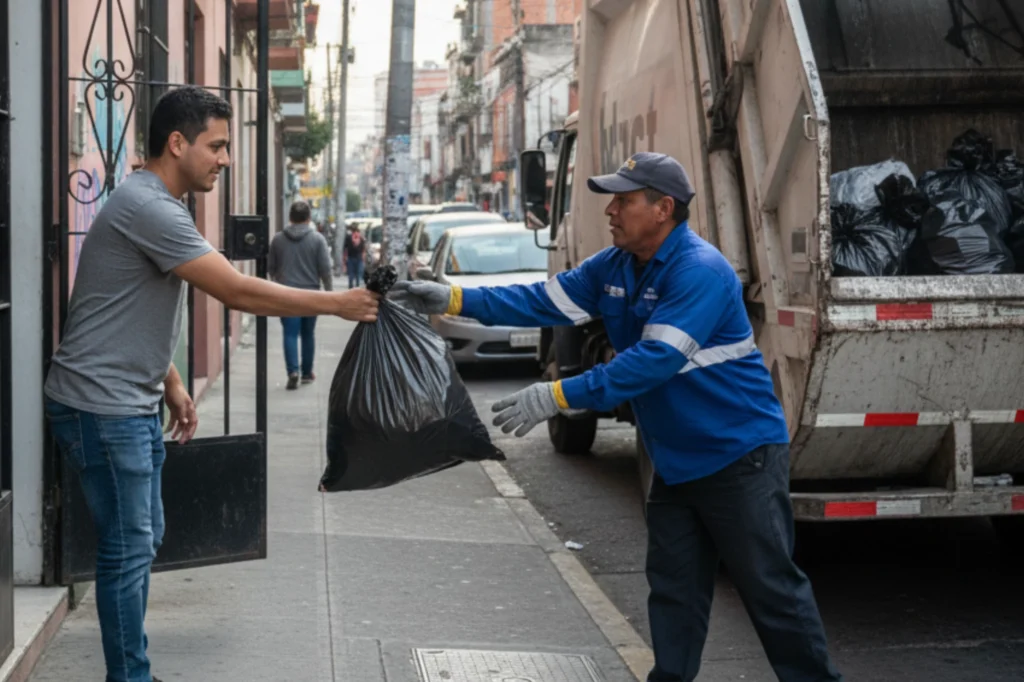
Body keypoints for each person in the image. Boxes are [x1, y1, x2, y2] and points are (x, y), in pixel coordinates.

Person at [390, 152, 843, 682]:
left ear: (662, 209)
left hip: (738, 457)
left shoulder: (699, 270)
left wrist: (559, 395)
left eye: (624, 200)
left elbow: (654, 361)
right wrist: (454, 297)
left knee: (771, 589)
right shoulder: (615, 266)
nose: (610, 211)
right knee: (674, 589)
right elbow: (542, 300)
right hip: (674, 462)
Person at [42, 85, 378, 682]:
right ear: (177, 143)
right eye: (217, 146)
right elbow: (236, 290)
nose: (225, 158)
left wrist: (170, 378)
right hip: (101, 406)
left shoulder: (155, 203)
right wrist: (337, 302)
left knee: (144, 539)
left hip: (129, 400)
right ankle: (131, 677)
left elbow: (116, 306)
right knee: (128, 549)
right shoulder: (150, 206)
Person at [268, 200, 334, 390]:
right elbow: (325, 270)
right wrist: (329, 295)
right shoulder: (317, 239)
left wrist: (278, 283)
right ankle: (306, 372)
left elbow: (271, 268)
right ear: (309, 218)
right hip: (311, 294)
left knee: (289, 333)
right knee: (307, 334)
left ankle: (292, 371)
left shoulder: (278, 240)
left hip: (286, 294)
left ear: (290, 218)